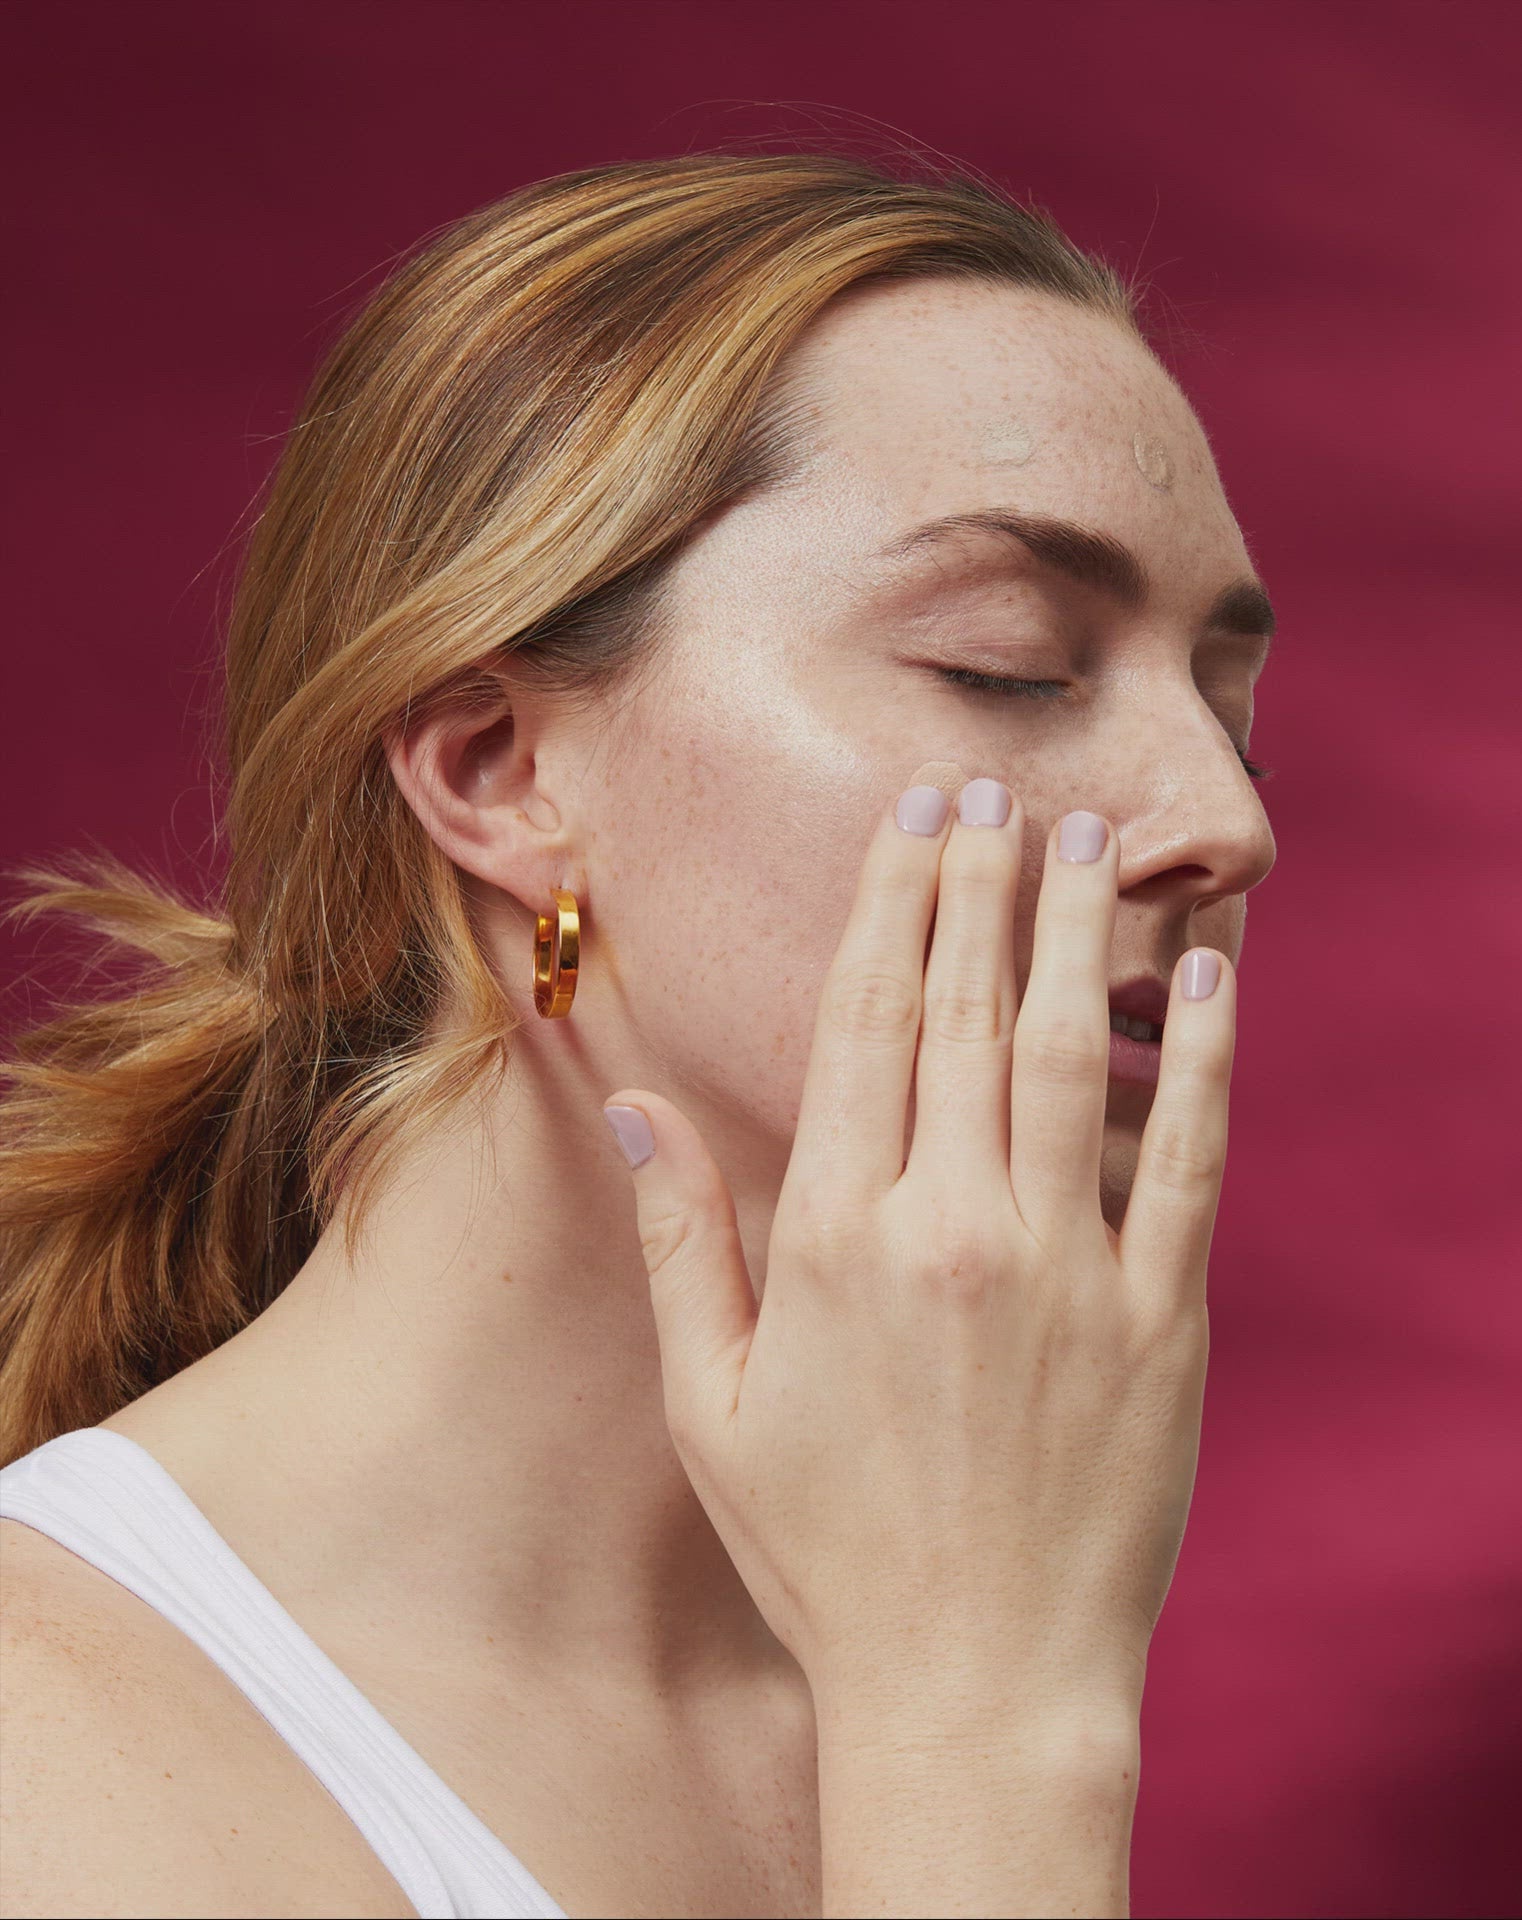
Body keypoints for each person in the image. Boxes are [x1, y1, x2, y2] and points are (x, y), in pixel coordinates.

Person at [0, 149, 1276, 1919]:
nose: (1222, 819)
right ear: (497, 770)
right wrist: (986, 1748)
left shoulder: (938, 1621)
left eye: (1234, 715)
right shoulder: (50, 1755)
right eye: (1011, 663)